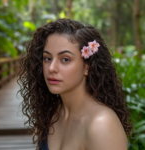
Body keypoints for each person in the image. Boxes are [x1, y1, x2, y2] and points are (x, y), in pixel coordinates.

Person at [17, 18, 134, 150]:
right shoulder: (53, 112)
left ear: (87, 67)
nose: (51, 68)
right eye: (47, 58)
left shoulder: (101, 125)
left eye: (65, 59)